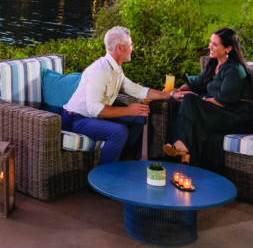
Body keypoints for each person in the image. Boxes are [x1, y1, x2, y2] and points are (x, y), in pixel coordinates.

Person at [61, 26, 172, 164]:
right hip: (74, 120)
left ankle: (126, 164)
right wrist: (128, 110)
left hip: (91, 118)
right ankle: (104, 177)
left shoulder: (116, 70)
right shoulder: (100, 70)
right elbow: (94, 109)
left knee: (138, 119)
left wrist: (171, 95)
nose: (133, 48)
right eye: (130, 45)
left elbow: (138, 90)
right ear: (120, 48)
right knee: (118, 132)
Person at [163, 27, 253, 168]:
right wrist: (179, 89)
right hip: (220, 111)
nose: (210, 47)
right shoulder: (213, 63)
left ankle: (184, 148)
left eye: (215, 44)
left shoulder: (234, 69)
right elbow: (197, 83)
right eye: (210, 42)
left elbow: (224, 101)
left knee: (190, 101)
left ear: (228, 49)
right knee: (179, 114)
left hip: (238, 115)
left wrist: (201, 102)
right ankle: (180, 162)